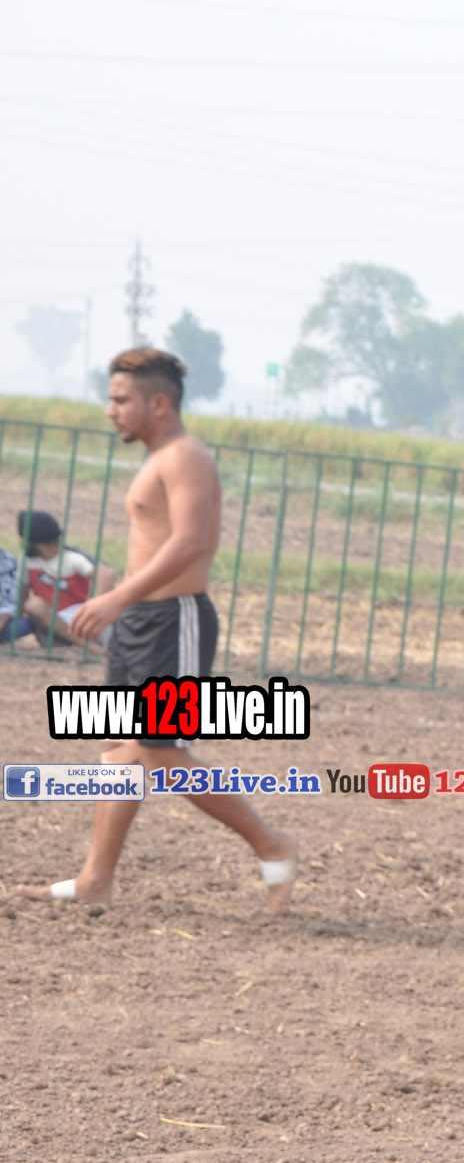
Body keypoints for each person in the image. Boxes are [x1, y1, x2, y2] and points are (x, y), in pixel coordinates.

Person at [18, 348, 299, 914]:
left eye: (121, 400)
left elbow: (190, 542)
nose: (111, 410)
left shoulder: (186, 456)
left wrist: (117, 596)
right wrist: (124, 604)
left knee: (161, 754)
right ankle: (95, 879)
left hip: (175, 620)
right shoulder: (161, 458)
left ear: (160, 403)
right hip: (141, 622)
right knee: (120, 751)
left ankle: (274, 846)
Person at [17, 509, 119, 649]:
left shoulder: (72, 557)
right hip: (54, 624)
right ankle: (87, 647)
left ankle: (95, 644)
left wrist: (90, 611)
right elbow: (23, 593)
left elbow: (107, 575)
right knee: (34, 605)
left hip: (83, 617)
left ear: (35, 543)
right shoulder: (26, 559)